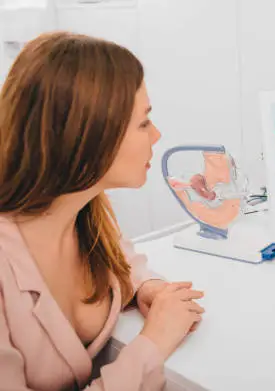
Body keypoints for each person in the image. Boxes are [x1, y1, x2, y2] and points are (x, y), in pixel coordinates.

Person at [0, 32, 204, 390]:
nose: (156, 136)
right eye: (143, 123)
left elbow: (122, 265)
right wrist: (152, 344)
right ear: (88, 135)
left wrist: (146, 288)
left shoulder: (87, 210)